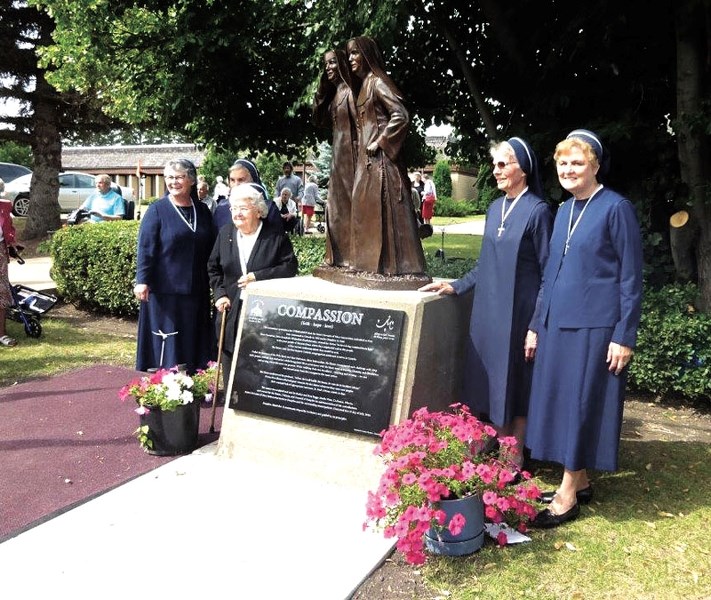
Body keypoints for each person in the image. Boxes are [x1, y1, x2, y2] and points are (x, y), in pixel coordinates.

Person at [526, 129, 643, 528]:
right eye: (563, 164)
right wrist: (536, 325)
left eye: (577, 163)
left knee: (580, 404)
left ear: (594, 166)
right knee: (561, 404)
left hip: (595, 328)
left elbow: (630, 279)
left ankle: (567, 494)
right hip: (558, 325)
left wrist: (624, 335)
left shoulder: (616, 208)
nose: (569, 170)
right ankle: (583, 480)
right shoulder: (562, 211)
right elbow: (549, 276)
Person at [419, 137, 552, 468]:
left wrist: (536, 325)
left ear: (524, 169)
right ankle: (492, 438)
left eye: (503, 164)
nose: (496, 170)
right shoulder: (494, 209)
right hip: (489, 313)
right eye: (494, 164)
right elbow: (486, 264)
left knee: (518, 381)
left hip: (521, 315)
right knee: (489, 378)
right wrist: (456, 285)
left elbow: (550, 273)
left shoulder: (538, 211)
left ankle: (514, 452)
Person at [346, 36, 427, 279]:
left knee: (389, 215)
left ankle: (397, 268)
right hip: (367, 164)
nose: (350, 59)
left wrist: (380, 142)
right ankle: (370, 266)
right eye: (349, 54)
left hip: (383, 165)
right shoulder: (363, 88)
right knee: (365, 214)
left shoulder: (378, 83)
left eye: (355, 53)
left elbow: (400, 115)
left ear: (367, 55)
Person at [208, 183, 298, 388]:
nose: (237, 213)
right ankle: (232, 407)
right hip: (231, 310)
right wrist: (220, 294)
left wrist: (258, 276)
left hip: (264, 313)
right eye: (234, 208)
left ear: (258, 210)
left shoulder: (274, 236)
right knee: (231, 361)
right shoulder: (225, 233)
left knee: (260, 362)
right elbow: (213, 268)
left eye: (243, 208)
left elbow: (290, 267)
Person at [133, 158, 215, 373]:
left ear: (191, 180)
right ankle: (168, 383)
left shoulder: (203, 210)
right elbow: (146, 247)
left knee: (193, 335)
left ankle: (195, 379)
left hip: (197, 288)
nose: (173, 182)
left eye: (179, 177)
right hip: (165, 289)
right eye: (169, 177)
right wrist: (142, 281)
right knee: (169, 340)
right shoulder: (157, 210)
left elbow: (212, 247)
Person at [313, 48, 356, 267]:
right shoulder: (335, 95)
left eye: (332, 63)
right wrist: (322, 87)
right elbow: (318, 118)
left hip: (351, 160)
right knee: (335, 208)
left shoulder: (350, 93)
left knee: (347, 208)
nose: (328, 68)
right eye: (325, 64)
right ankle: (338, 257)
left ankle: (351, 258)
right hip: (338, 160)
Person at [213, 158, 284, 233]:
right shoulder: (222, 207)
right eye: (232, 180)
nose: (236, 185)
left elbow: (276, 240)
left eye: (241, 180)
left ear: (253, 181)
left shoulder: (269, 208)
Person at [0, 178, 19, 347]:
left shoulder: (5, 206)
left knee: (2, 291)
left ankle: (2, 334)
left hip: (0, 251)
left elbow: (9, 229)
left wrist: (12, 242)